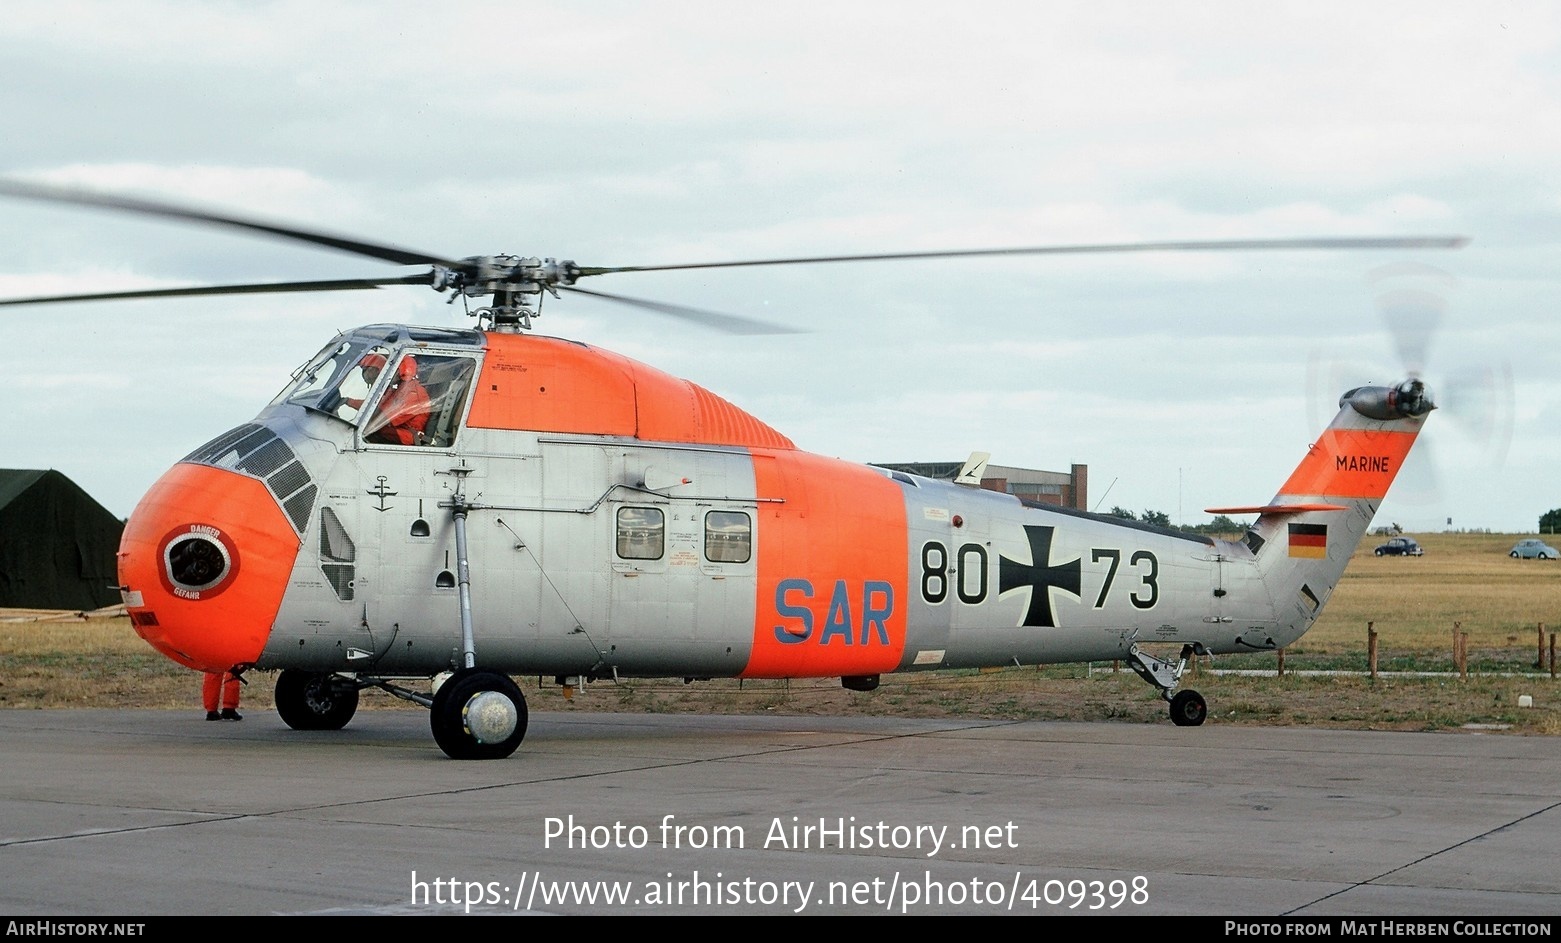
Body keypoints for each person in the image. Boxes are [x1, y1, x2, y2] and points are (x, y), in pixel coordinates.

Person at [349, 353, 431, 446]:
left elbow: (385, 418)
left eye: (392, 370)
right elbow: (378, 407)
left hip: (406, 438)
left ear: (400, 371)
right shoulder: (400, 390)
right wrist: (349, 402)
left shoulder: (413, 393)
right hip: (393, 433)